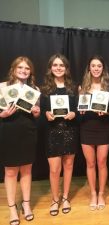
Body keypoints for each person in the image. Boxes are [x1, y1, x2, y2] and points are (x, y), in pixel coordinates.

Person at [0, 56, 40, 225]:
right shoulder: (2, 87)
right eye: (20, 68)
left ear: (30, 71)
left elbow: (37, 115)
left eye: (27, 68)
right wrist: (3, 114)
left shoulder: (35, 89)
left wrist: (37, 111)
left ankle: (26, 204)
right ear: (14, 69)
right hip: (9, 130)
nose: (23, 71)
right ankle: (11, 208)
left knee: (26, 170)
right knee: (10, 172)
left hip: (28, 131)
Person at [40, 53, 79, 216]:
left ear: (66, 68)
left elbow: (78, 108)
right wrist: (46, 114)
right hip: (52, 131)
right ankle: (55, 199)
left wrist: (74, 114)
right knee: (55, 169)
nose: (58, 68)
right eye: (55, 65)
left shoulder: (73, 87)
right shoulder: (44, 89)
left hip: (70, 130)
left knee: (68, 166)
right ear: (50, 68)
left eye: (61, 65)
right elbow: (42, 110)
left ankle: (65, 197)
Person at [78, 55, 109, 210]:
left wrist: (107, 113)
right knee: (90, 163)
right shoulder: (82, 88)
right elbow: (79, 109)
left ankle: (101, 194)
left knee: (102, 162)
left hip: (103, 127)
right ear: (89, 68)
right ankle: (93, 193)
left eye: (99, 66)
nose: (96, 68)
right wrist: (81, 111)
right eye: (93, 66)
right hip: (87, 127)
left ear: (103, 68)